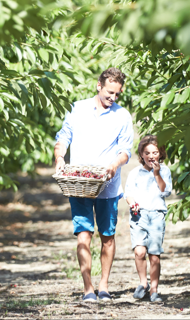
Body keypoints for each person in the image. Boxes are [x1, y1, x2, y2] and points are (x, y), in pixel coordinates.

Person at [54, 67, 134, 303]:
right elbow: (64, 137)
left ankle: (104, 285)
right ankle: (88, 287)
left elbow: (125, 151)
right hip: (80, 182)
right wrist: (60, 158)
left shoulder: (122, 116)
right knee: (83, 234)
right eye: (110, 92)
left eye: (117, 94)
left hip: (108, 186)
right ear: (99, 86)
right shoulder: (77, 109)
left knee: (107, 236)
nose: (113, 98)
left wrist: (114, 164)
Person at [124, 135, 172, 303]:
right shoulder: (135, 173)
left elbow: (165, 191)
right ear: (141, 154)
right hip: (139, 215)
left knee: (154, 255)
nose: (151, 156)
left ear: (160, 154)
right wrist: (132, 203)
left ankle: (154, 289)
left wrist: (157, 173)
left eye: (155, 152)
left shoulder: (164, 171)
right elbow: (128, 193)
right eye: (147, 152)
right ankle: (143, 283)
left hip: (156, 215)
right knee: (139, 251)